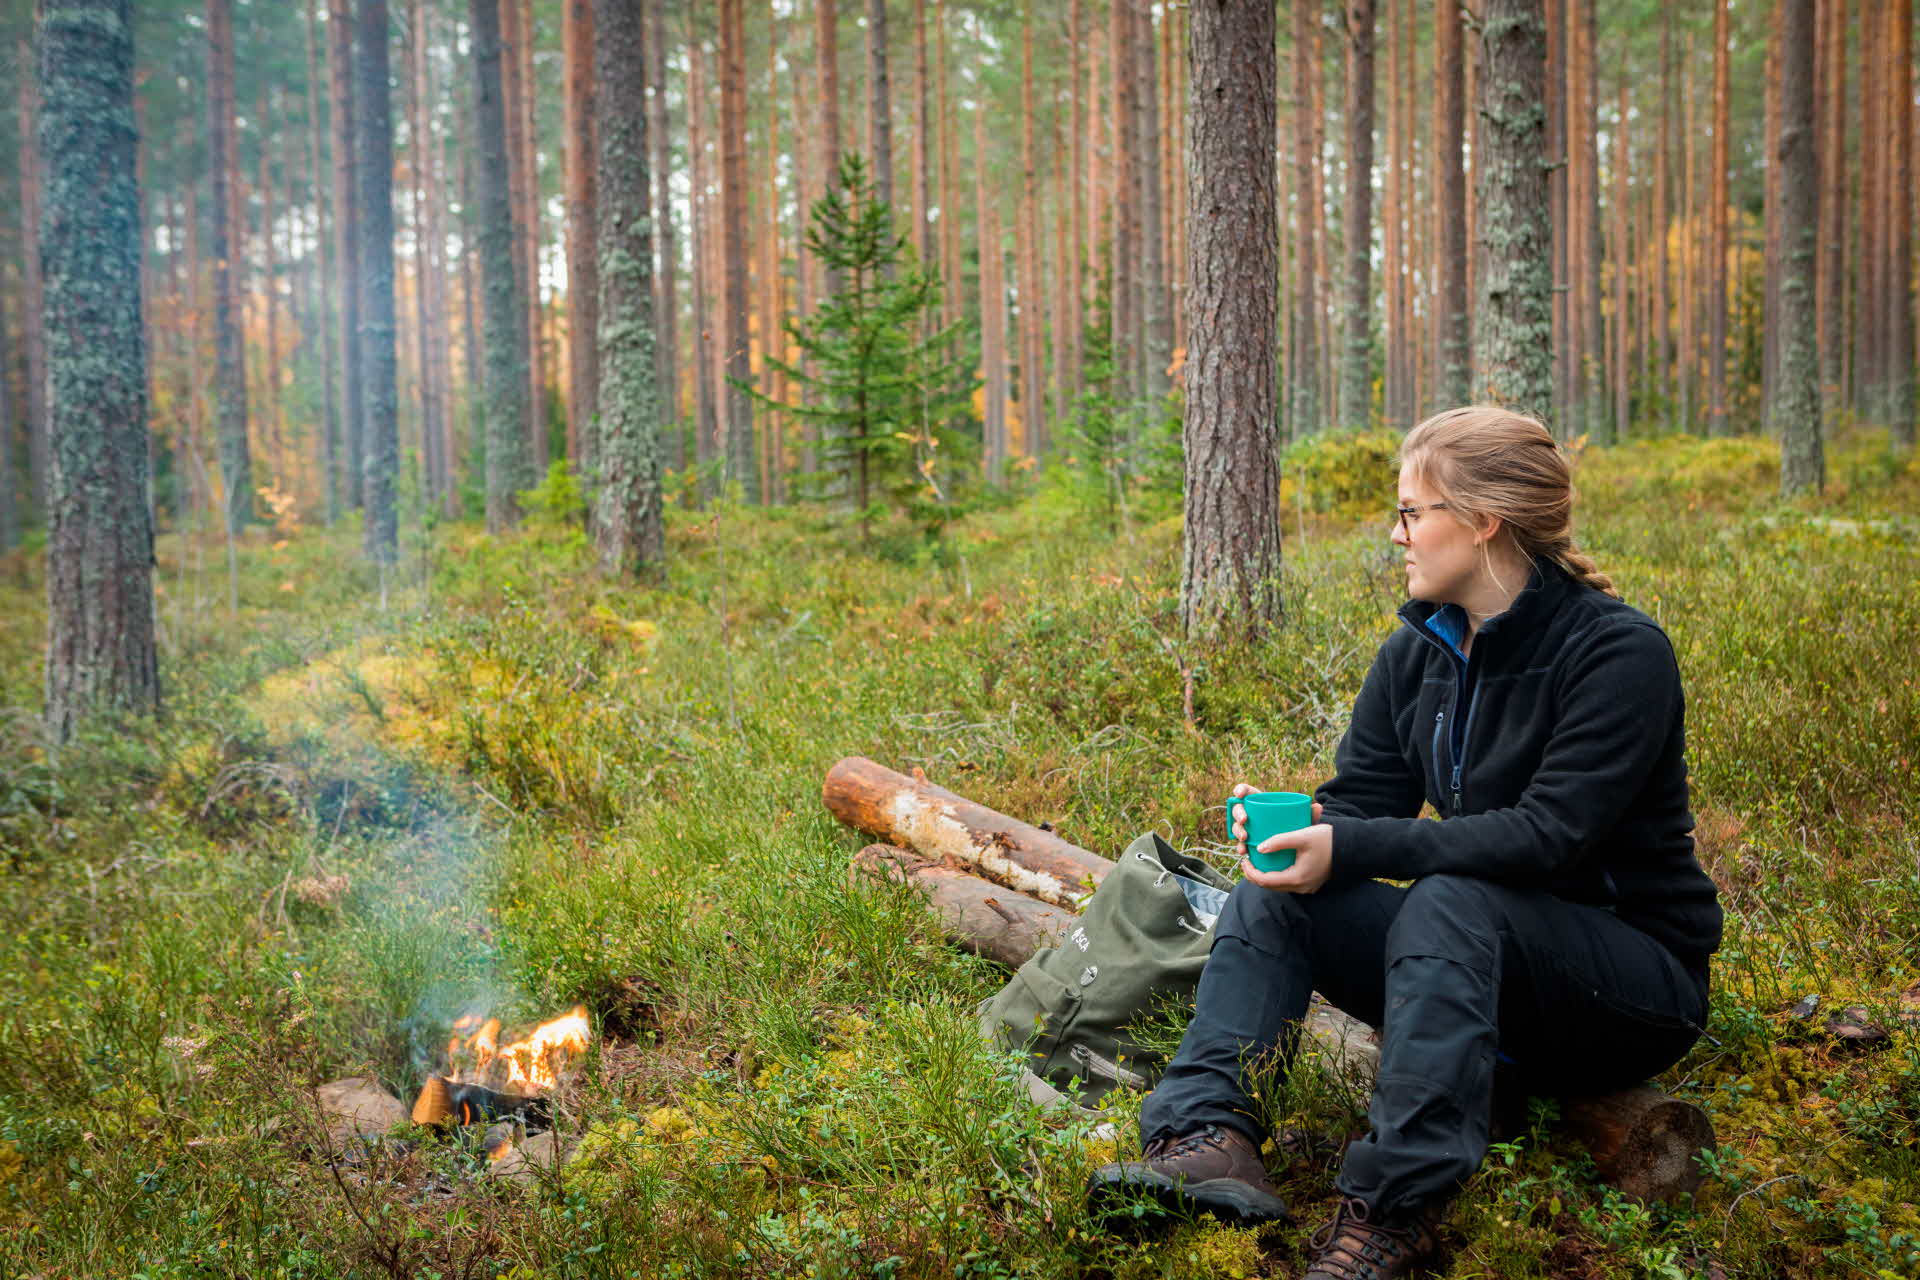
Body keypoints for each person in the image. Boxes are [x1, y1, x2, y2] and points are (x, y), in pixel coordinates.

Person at [1087, 407, 1723, 1280]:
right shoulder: (1417, 652)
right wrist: (1302, 828)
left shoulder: (1617, 653)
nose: (1398, 534)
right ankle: (1207, 1136)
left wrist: (1350, 847)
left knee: (1451, 897)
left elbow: (1550, 839)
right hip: (1486, 974)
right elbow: (1366, 804)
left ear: (1484, 519)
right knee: (1282, 889)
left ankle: (1396, 1210)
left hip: (1632, 987)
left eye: (1413, 512)